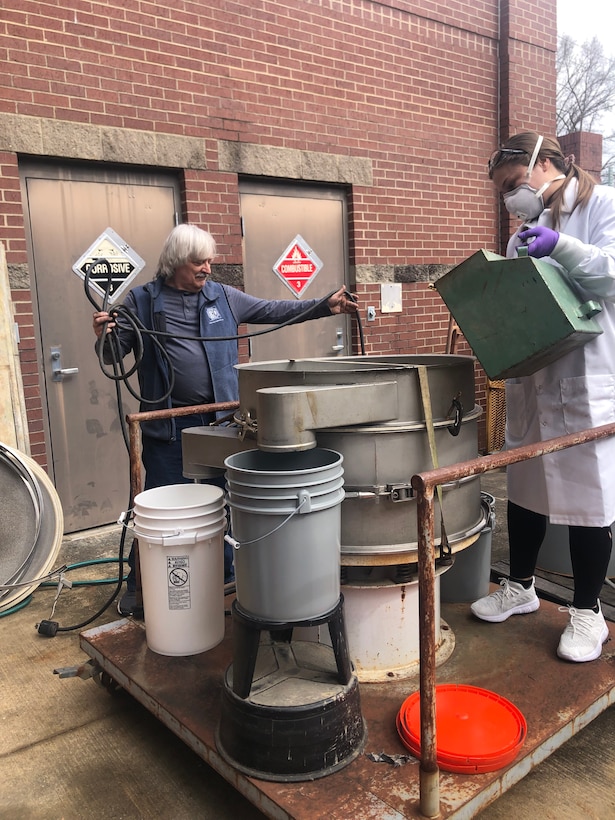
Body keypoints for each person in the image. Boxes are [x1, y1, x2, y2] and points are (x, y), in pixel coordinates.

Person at [93, 222, 357, 616]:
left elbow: (273, 310)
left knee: (221, 506)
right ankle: (141, 586)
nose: (207, 269)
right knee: (162, 511)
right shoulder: (142, 302)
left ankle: (221, 578)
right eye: (198, 262)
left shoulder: (223, 297)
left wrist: (323, 306)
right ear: (175, 263)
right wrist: (104, 335)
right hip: (167, 430)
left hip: (219, 425)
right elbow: (115, 357)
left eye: (210, 261)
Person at [471, 131, 615, 662]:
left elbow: (613, 276)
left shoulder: (603, 205)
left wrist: (563, 248)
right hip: (533, 379)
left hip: (585, 377)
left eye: (513, 185)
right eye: (504, 192)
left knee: (587, 497)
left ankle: (587, 614)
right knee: (525, 484)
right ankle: (522, 587)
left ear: (546, 163)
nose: (511, 200)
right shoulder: (523, 233)